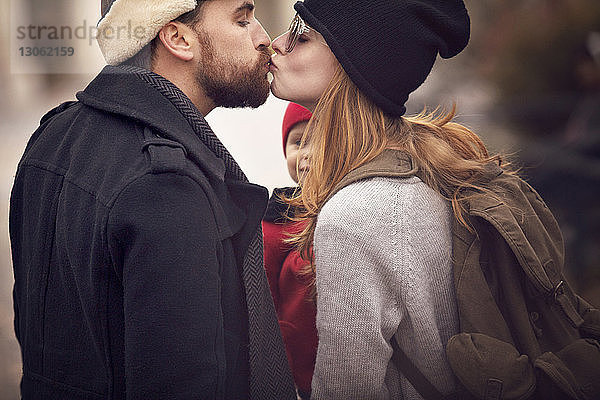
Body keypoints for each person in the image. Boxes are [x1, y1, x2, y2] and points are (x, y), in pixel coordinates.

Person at [9, 0, 296, 399]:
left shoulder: (51, 138)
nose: (264, 38)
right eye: (242, 19)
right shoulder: (166, 184)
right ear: (178, 38)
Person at [270, 0, 472, 398]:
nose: (276, 44)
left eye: (302, 36)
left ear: (352, 65)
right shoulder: (419, 176)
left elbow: (345, 389)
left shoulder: (355, 214)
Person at [262, 102, 317, 399]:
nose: (306, 153)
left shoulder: (355, 206)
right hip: (296, 376)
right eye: (298, 142)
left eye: (320, 139)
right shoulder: (276, 219)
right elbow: (264, 297)